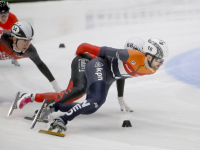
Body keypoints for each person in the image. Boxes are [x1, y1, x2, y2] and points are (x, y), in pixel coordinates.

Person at [37, 38, 168, 131]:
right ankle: (62, 120)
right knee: (96, 100)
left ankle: (55, 106)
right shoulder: (130, 55)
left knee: (91, 108)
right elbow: (101, 50)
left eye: (162, 60)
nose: (161, 64)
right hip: (99, 65)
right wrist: (80, 52)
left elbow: (123, 74)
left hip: (109, 77)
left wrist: (120, 98)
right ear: (149, 56)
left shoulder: (152, 69)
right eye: (159, 60)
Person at [14, 38, 145, 113]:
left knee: (68, 97)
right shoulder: (116, 54)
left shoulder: (136, 64)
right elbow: (84, 46)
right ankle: (48, 108)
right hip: (85, 60)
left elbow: (121, 75)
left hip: (97, 73)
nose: (137, 57)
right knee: (78, 90)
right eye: (134, 54)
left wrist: (120, 98)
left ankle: (31, 97)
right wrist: (78, 54)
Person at [0, 21, 62, 93]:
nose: (27, 45)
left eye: (29, 41)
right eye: (24, 41)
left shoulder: (30, 51)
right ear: (14, 39)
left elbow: (40, 64)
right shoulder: (2, 38)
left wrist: (55, 86)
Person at [0, 1, 19, 66]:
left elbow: (17, 35)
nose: (4, 18)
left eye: (6, 14)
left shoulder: (12, 18)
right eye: (1, 15)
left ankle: (14, 58)